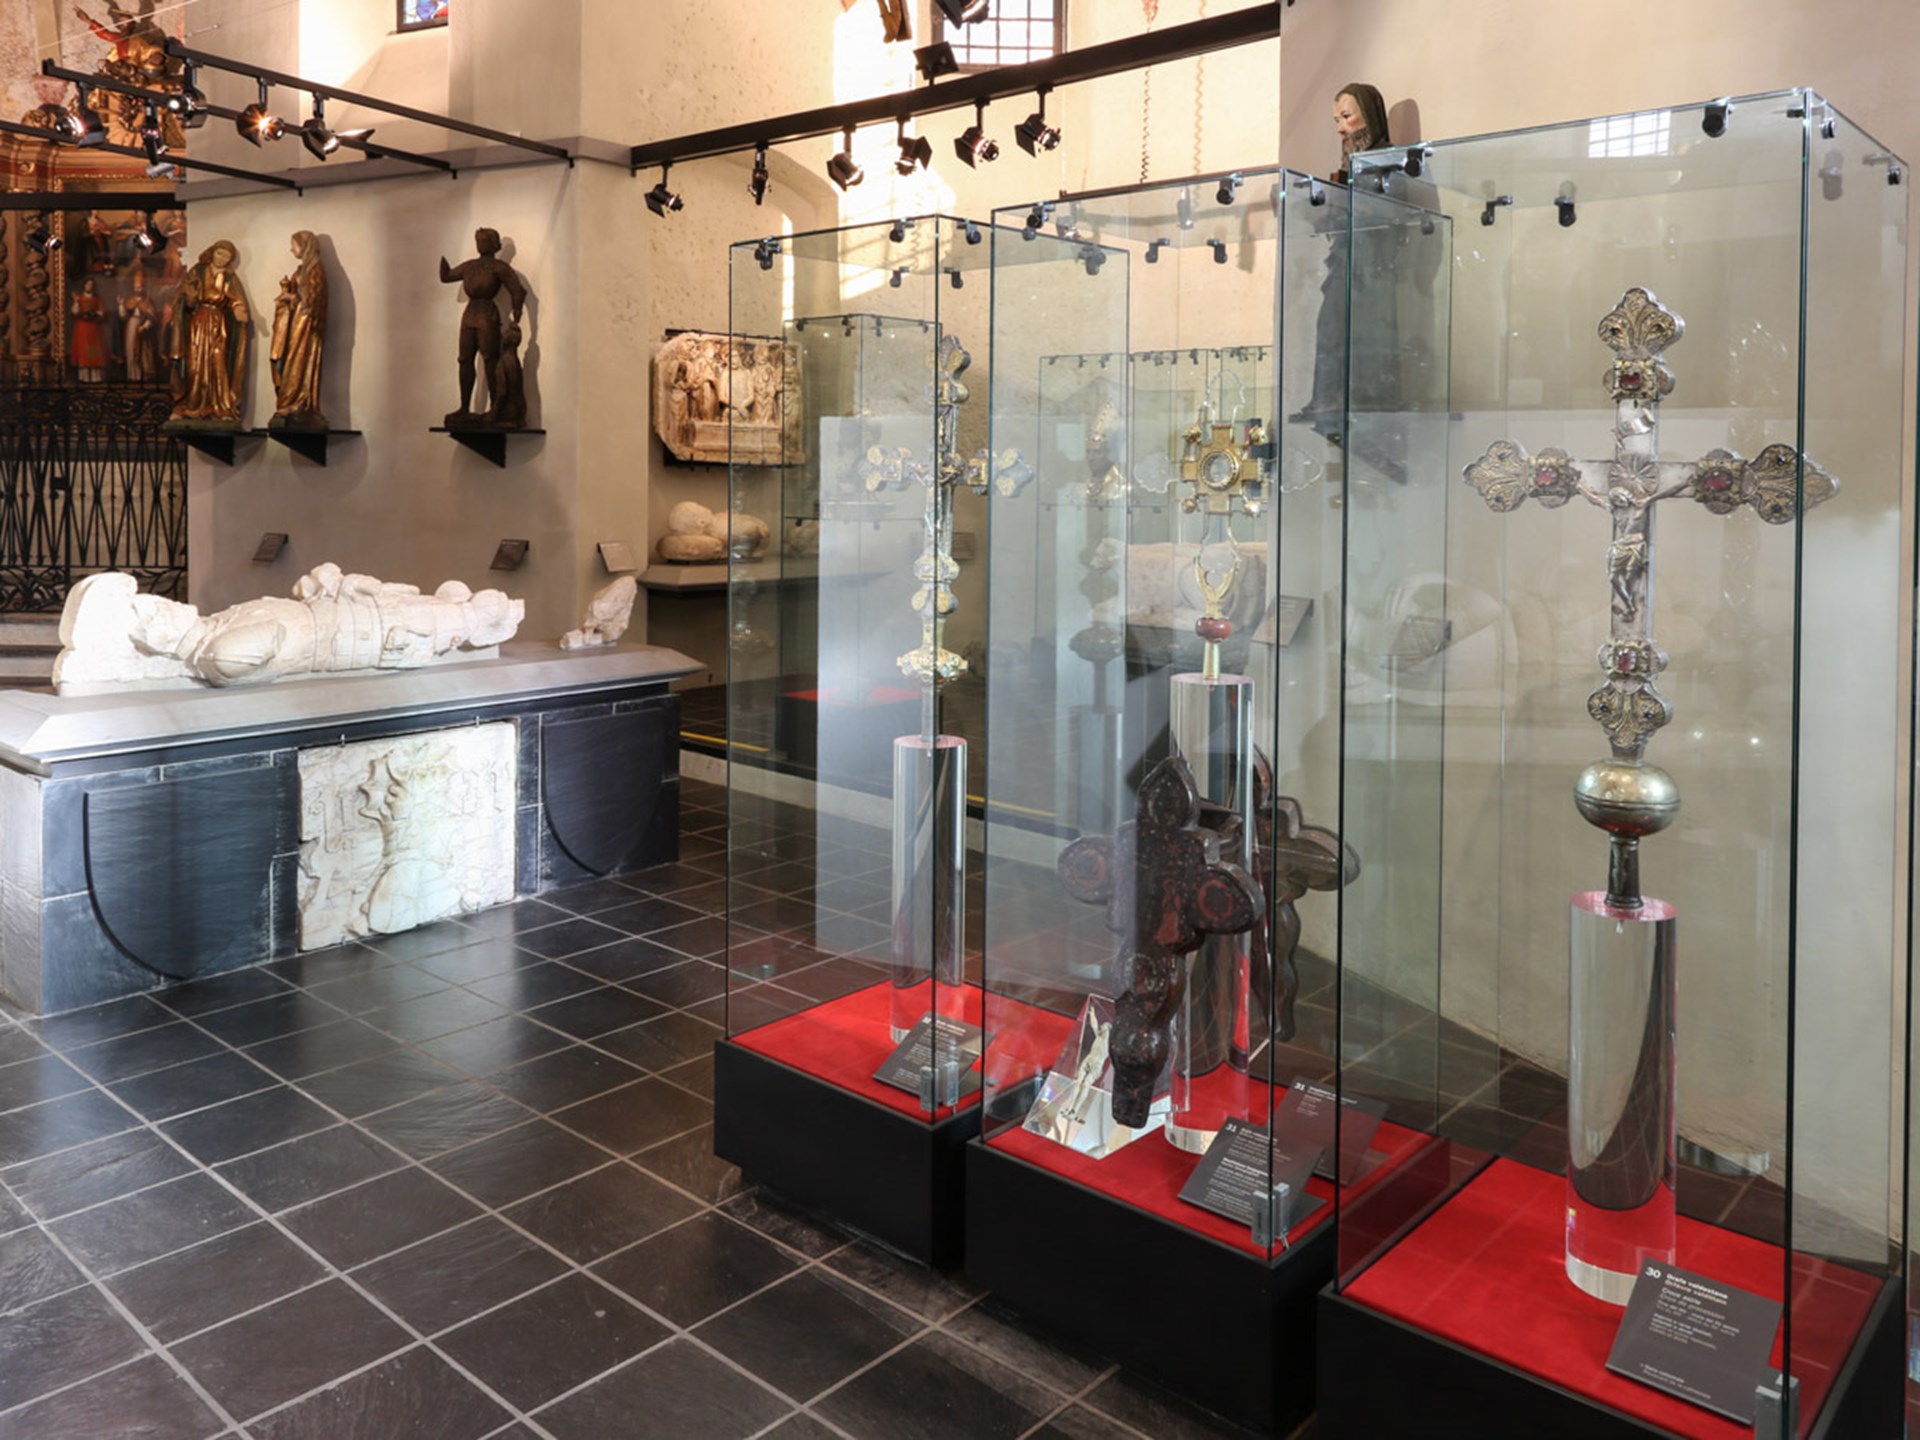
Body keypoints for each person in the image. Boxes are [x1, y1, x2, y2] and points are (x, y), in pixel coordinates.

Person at [438, 227, 526, 429]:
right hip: (471, 314)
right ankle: (464, 407)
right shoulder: (470, 266)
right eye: (477, 240)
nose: (479, 244)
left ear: (493, 245)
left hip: (487, 314)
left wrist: (517, 311)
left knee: (490, 359)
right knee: (464, 360)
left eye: (483, 240)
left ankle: (496, 407)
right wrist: (442, 266)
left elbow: (517, 290)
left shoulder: (498, 267)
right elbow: (448, 276)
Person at [166, 239, 250, 424]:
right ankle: (192, 403)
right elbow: (184, 295)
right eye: (220, 253)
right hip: (198, 322)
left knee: (218, 362)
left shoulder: (229, 277)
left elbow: (236, 298)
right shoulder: (198, 271)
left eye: (227, 257)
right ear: (212, 252)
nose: (222, 259)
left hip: (218, 324)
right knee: (195, 364)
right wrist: (189, 298)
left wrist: (238, 307)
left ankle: (220, 406)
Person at [270, 231, 328, 428]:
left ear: (305, 246)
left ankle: (298, 402)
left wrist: (291, 297)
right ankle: (289, 402)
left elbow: (311, 300)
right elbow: (300, 296)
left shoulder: (315, 269)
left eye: (293, 245)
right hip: (296, 322)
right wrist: (287, 290)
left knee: (298, 360)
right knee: (290, 359)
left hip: (306, 325)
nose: (291, 249)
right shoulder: (303, 269)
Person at [119, 271, 158, 382]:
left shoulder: (147, 301)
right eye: (136, 287)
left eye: (139, 287)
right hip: (131, 326)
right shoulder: (130, 300)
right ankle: (132, 376)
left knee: (143, 353)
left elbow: (152, 317)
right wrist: (121, 305)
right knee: (131, 351)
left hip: (143, 330)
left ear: (143, 288)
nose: (138, 290)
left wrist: (145, 326)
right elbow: (123, 316)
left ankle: (143, 376)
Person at [70, 277, 109, 382]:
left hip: (94, 328)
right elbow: (74, 312)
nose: (89, 286)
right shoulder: (79, 297)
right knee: (83, 351)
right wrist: (76, 302)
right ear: (84, 285)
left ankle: (95, 378)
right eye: (88, 284)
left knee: (95, 351)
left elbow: (102, 312)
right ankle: (85, 377)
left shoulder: (97, 299)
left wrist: (95, 313)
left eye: (91, 284)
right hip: (82, 327)